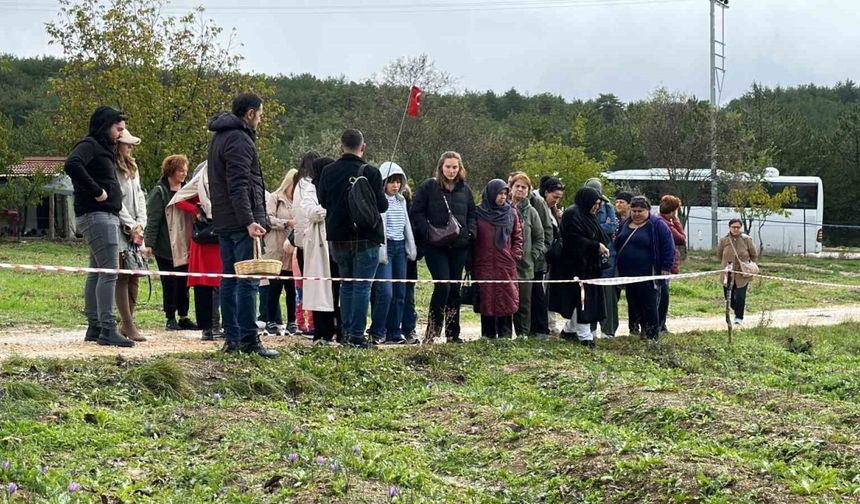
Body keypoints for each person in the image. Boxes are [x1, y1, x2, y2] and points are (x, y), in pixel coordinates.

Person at [207, 92, 278, 358]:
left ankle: (233, 338)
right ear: (249, 114)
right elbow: (239, 186)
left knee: (229, 278)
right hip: (240, 222)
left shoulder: (220, 137)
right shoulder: (239, 140)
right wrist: (250, 221)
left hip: (225, 221)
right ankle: (248, 339)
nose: (260, 119)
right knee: (247, 281)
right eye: (259, 114)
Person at [64, 106, 134, 347]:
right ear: (105, 125)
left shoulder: (103, 149)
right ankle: (107, 327)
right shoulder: (90, 144)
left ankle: (95, 326)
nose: (121, 133)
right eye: (118, 128)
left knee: (96, 271)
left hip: (102, 216)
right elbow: (72, 164)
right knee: (109, 272)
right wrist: (97, 191)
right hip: (98, 216)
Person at [318, 129, 388, 348]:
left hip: (338, 238)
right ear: (363, 147)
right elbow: (383, 205)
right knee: (362, 287)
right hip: (366, 237)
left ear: (341, 147)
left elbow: (323, 201)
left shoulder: (328, 171)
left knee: (347, 285)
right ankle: (357, 335)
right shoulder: (372, 172)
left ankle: (346, 333)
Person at [411, 151, 477, 343]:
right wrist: (427, 232)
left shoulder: (465, 190)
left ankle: (452, 333)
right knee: (443, 286)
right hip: (436, 246)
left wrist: (469, 233)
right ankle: (431, 332)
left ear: (460, 168)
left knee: (455, 289)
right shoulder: (429, 187)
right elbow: (416, 212)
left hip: (459, 246)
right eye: (448, 166)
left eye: (455, 167)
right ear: (441, 167)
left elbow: (472, 214)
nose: (451, 170)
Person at [166, 161, 223, 341]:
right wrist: (197, 210)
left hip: (221, 239)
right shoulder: (198, 183)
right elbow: (179, 200)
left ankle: (220, 325)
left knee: (222, 284)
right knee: (204, 285)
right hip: (204, 239)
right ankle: (208, 327)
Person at [548, 187, 610, 347]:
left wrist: (601, 247)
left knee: (583, 300)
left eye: (598, 204)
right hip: (573, 267)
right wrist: (595, 245)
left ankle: (569, 330)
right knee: (582, 300)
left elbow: (600, 235)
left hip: (589, 266)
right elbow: (573, 240)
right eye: (594, 203)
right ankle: (585, 336)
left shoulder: (589, 216)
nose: (596, 207)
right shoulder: (572, 214)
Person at [144, 154, 198, 332]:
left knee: (184, 282)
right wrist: (149, 244)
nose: (184, 173)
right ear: (171, 171)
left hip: (185, 244)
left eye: (185, 170)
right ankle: (170, 317)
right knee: (169, 282)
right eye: (180, 170)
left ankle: (184, 316)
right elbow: (153, 220)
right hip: (165, 246)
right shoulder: (159, 192)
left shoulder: (188, 190)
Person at [293, 155, 342, 345]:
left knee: (338, 290)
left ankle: (341, 330)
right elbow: (310, 210)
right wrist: (329, 210)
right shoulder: (310, 189)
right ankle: (322, 332)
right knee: (321, 290)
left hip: (337, 243)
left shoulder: (336, 188)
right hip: (319, 246)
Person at [368, 162, 418, 345]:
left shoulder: (401, 200)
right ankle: (377, 331)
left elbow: (406, 227)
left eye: (398, 182)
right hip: (385, 249)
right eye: (391, 182)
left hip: (400, 249)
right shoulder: (379, 200)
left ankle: (394, 332)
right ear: (384, 182)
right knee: (385, 292)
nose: (395, 186)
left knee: (400, 292)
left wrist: (410, 248)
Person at [614, 196, 675, 341]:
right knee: (633, 303)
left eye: (640, 211)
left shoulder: (657, 225)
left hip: (648, 273)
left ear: (647, 210)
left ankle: (652, 335)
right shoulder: (625, 224)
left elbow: (669, 247)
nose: (636, 214)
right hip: (628, 273)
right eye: (633, 210)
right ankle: (635, 330)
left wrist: (666, 267)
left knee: (649, 305)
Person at [473, 179, 523, 339]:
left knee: (506, 297)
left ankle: (505, 334)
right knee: (486, 298)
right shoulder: (478, 212)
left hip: (505, 264)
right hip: (484, 263)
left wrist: (514, 256)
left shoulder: (511, 212)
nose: (502, 197)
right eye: (499, 193)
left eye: (505, 194)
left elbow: (518, 236)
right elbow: (473, 239)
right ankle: (487, 334)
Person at [114, 128, 147, 342]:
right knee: (123, 276)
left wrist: (141, 224)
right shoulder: (113, 169)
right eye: (127, 144)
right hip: (120, 228)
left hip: (136, 230)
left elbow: (141, 198)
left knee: (136, 274)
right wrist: (131, 225)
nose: (130, 147)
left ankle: (128, 322)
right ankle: (127, 322)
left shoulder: (133, 168)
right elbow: (118, 201)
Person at [508, 172, 544, 339]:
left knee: (524, 303)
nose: (520, 190)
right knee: (506, 300)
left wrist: (532, 255)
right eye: (517, 186)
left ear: (529, 190)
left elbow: (540, 237)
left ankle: (523, 333)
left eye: (524, 187)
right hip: (506, 265)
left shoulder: (532, 212)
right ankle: (505, 333)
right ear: (511, 188)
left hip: (525, 267)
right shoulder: (503, 208)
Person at [263, 169, 298, 337]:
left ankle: (292, 320)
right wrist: (286, 223)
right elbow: (268, 219)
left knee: (291, 287)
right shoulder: (275, 198)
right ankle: (270, 320)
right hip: (276, 247)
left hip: (291, 249)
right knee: (275, 286)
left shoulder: (299, 200)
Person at [584, 178, 619, 339]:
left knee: (607, 294)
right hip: (589, 256)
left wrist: (592, 229)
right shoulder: (581, 208)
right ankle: (589, 328)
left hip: (607, 257)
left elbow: (611, 227)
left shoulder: (607, 206)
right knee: (589, 294)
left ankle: (608, 330)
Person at [533, 176, 564, 337]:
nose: (556, 201)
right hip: (541, 256)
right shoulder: (538, 204)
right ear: (546, 192)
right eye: (554, 197)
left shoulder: (552, 208)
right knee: (541, 292)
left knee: (547, 292)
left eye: (559, 198)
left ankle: (550, 324)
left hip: (549, 257)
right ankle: (545, 325)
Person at [718, 218, 758, 325]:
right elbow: (719, 255)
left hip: (742, 273)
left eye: (738, 227)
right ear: (729, 227)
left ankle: (739, 318)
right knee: (728, 296)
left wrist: (748, 265)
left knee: (741, 295)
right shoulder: (724, 240)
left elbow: (754, 254)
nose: (735, 229)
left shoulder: (747, 239)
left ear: (741, 228)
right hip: (728, 272)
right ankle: (736, 309)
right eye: (733, 227)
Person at [658, 195, 686, 333]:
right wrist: (676, 221)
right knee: (663, 296)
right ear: (674, 210)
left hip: (662, 264)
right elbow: (681, 238)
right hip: (665, 265)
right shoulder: (667, 223)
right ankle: (660, 325)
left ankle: (660, 324)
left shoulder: (658, 220)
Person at [614, 191, 637, 335]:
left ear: (629, 204)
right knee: (613, 294)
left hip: (633, 264)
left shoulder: (635, 220)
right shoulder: (612, 218)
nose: (618, 205)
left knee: (634, 297)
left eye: (622, 202)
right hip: (616, 262)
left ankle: (634, 327)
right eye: (616, 202)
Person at [400, 183, 419, 342]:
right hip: (390, 259)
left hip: (409, 262)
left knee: (408, 298)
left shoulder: (413, 212)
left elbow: (417, 234)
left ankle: (409, 329)